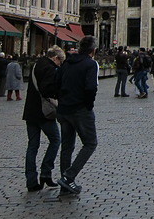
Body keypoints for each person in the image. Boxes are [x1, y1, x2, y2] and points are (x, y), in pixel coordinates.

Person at [56, 36, 100, 195]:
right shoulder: (91, 64)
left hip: (63, 109)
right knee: (90, 143)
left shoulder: (67, 62)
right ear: (93, 50)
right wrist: (88, 106)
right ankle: (68, 176)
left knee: (67, 146)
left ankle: (65, 184)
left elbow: (57, 83)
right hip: (80, 110)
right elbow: (91, 88)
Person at [23, 46, 65, 191]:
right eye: (60, 62)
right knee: (55, 140)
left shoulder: (36, 65)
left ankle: (31, 180)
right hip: (44, 113)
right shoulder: (50, 69)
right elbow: (47, 89)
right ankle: (46, 173)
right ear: (56, 58)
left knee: (32, 146)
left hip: (30, 111)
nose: (60, 65)